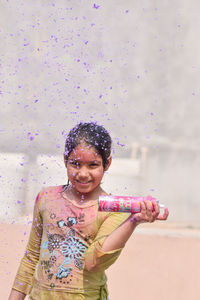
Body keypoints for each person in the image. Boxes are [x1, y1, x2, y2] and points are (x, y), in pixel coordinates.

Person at [8, 122, 169, 300]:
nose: (83, 173)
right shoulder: (47, 198)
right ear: (65, 160)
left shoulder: (113, 209)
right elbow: (31, 258)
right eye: (75, 164)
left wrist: (133, 221)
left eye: (93, 165)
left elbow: (94, 262)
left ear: (107, 164)